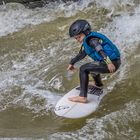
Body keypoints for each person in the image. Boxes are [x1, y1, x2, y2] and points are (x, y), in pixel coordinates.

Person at [67, 19, 121, 103]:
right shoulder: (87, 42)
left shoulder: (91, 40)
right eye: (76, 38)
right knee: (91, 68)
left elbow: (99, 49)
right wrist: (72, 62)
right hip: (111, 61)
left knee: (83, 69)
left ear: (86, 32)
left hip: (111, 62)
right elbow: (81, 54)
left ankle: (82, 97)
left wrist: (109, 63)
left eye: (79, 37)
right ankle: (98, 84)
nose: (77, 39)